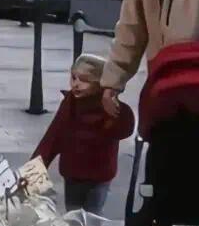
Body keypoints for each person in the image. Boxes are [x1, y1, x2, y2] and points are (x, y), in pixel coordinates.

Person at [33, 54, 135, 213]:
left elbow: (124, 128)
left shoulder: (108, 107)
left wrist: (114, 104)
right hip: (73, 172)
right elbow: (54, 136)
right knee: (73, 216)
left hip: (98, 175)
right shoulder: (70, 103)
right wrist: (34, 169)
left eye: (84, 80)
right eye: (73, 78)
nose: (76, 84)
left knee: (92, 217)